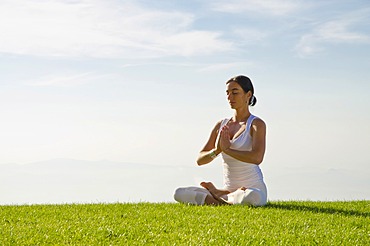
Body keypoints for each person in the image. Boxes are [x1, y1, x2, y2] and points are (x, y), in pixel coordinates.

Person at [174, 75, 267, 206]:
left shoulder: (256, 124)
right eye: (227, 93)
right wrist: (217, 151)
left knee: (253, 198)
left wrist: (227, 150)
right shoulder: (221, 125)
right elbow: (200, 160)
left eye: (235, 93)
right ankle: (224, 197)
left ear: (248, 95)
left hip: (252, 189)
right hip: (230, 190)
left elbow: (257, 158)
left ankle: (220, 197)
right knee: (179, 193)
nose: (230, 97)